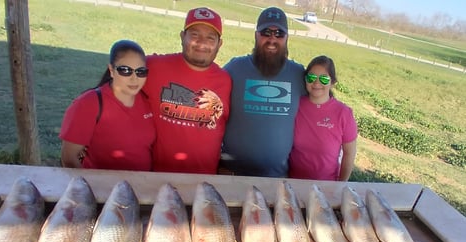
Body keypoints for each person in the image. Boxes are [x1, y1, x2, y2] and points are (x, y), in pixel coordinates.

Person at [219, 7, 307, 177]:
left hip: (276, 179)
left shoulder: (298, 74)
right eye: (266, 32)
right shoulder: (235, 68)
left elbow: (321, 105)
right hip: (230, 173)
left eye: (279, 33)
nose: (272, 38)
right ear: (256, 35)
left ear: (287, 37)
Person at [142, 7, 231, 174]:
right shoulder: (153, 66)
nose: (202, 43)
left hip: (204, 184)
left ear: (220, 44)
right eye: (195, 35)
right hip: (156, 178)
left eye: (210, 38)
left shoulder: (226, 81)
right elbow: (113, 86)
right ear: (182, 36)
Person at [60, 39, 155, 170]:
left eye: (141, 71)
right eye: (125, 70)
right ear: (111, 70)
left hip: (142, 185)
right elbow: (69, 158)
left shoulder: (147, 101)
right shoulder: (89, 103)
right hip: (103, 187)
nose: (134, 78)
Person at [288, 55, 358, 181]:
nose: (316, 83)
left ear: (332, 83)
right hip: (293, 185)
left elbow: (349, 154)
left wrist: (340, 185)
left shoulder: (344, 113)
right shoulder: (295, 105)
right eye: (311, 77)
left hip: (326, 187)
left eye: (324, 79)